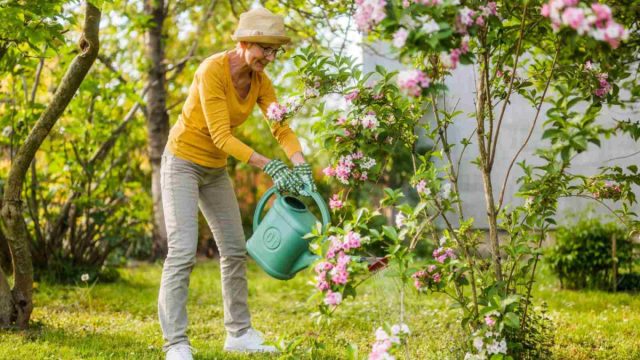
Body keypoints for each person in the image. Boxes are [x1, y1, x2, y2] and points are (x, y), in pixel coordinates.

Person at [157, 6, 316, 360]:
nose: (270, 57)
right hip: (182, 163)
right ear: (245, 42)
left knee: (233, 248)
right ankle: (176, 344)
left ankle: (239, 333)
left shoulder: (261, 82)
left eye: (275, 50)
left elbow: (281, 127)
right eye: (264, 48)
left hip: (214, 170)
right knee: (183, 251)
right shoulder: (212, 70)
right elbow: (220, 135)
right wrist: (269, 165)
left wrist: (301, 165)